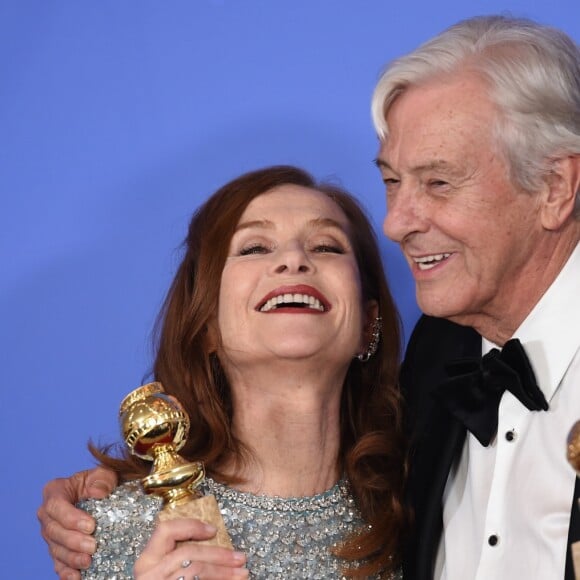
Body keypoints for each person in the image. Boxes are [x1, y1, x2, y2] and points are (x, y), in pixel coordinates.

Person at [38, 165, 407, 579]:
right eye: (254, 248)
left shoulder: (424, 512)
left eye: (326, 245)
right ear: (207, 325)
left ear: (367, 324)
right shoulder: (110, 532)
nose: (293, 260)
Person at [370, 14, 580, 580]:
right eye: (392, 181)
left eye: (438, 182)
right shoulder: (436, 350)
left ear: (554, 188)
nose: (395, 224)